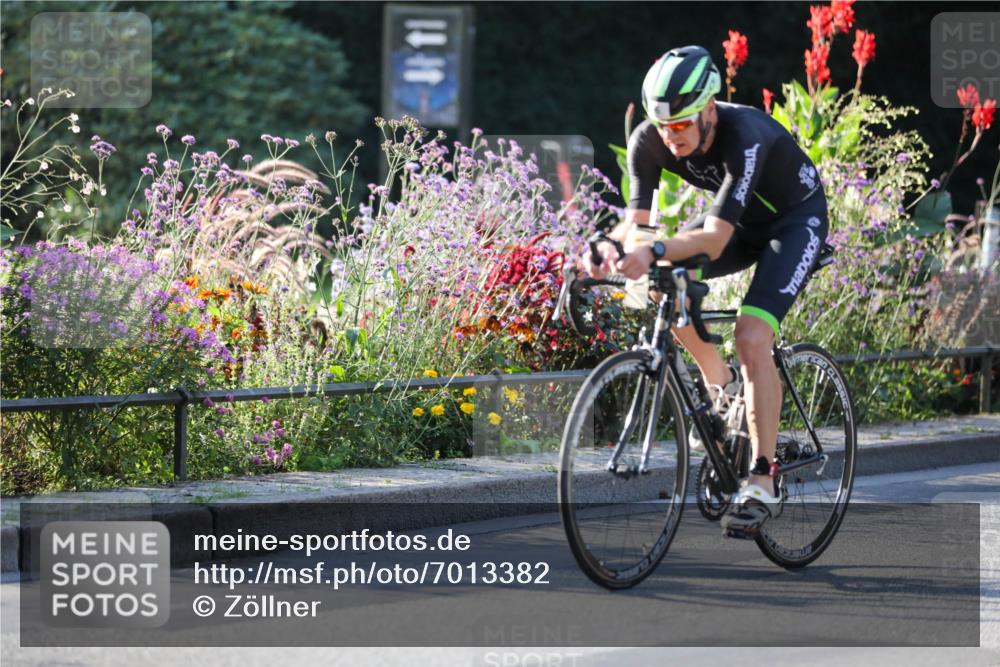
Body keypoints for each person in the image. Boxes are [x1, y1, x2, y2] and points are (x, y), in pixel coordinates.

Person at [584, 45, 829, 535]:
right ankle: (722, 384)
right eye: (662, 126)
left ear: (710, 110)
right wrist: (608, 247)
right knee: (661, 285)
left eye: (681, 126)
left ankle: (762, 479)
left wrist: (652, 250)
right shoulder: (649, 141)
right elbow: (639, 226)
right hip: (739, 223)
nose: (670, 138)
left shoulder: (746, 136)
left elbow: (714, 239)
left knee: (752, 334)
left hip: (794, 222)